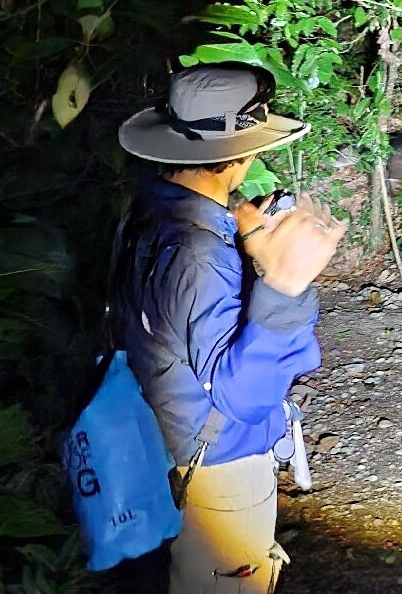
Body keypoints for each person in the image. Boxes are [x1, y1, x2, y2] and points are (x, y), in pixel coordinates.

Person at [111, 63, 346, 593]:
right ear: (240, 155)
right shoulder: (201, 254)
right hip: (219, 468)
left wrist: (237, 232)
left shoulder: (151, 210)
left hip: (160, 439)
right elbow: (243, 395)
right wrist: (285, 286)